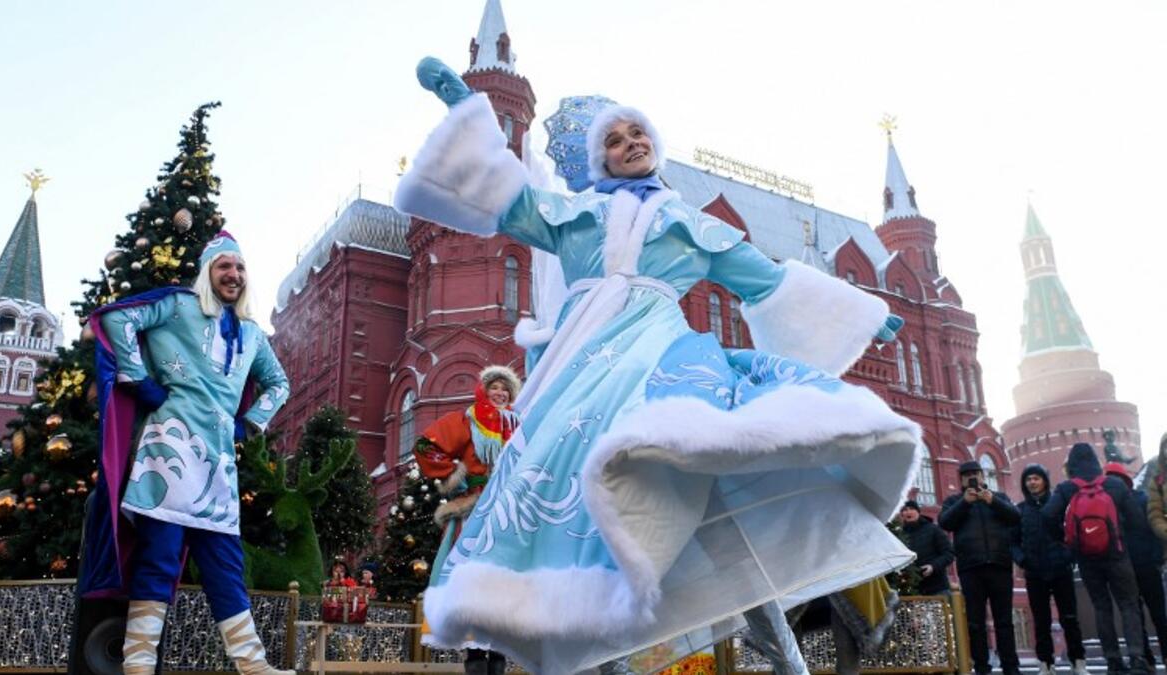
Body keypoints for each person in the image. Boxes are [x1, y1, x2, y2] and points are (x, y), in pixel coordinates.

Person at [391, 57, 921, 674]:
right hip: (586, 373)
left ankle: (788, 665)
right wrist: (466, 108)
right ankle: (603, 658)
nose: (630, 144)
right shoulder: (573, 219)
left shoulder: (691, 226)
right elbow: (506, 197)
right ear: (600, 160)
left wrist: (860, 312)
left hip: (668, 366)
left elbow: (766, 280)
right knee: (592, 516)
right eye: (613, 140)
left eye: (637, 133)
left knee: (720, 514)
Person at [83, 231, 292, 675]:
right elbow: (118, 321)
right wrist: (140, 380)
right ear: (207, 272)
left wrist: (251, 421)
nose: (233, 275)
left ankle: (253, 665)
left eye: (239, 268)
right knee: (158, 559)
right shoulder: (179, 307)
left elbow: (280, 383)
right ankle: (137, 665)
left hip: (218, 464)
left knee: (225, 566)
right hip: (170, 453)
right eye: (223, 267)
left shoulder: (252, 334)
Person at [412, 365, 521, 675]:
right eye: (494, 387)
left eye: (505, 388)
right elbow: (425, 446)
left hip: (509, 511)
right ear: (484, 390)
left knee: (504, 582)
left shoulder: (520, 424)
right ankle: (475, 655)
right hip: (476, 510)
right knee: (470, 580)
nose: (500, 393)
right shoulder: (468, 419)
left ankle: (499, 656)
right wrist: (457, 478)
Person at [1044, 443, 1149, 675]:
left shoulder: (1067, 488)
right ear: (1095, 461)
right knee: (1129, 605)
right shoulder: (1114, 485)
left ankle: (1113, 660)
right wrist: (1120, 535)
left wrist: (1067, 540)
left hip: (1087, 558)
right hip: (1118, 555)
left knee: (1102, 608)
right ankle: (1137, 658)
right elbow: (1137, 520)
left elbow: (1047, 515)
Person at [937, 460, 1021, 675]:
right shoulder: (954, 501)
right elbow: (945, 522)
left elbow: (1015, 517)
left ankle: (1011, 667)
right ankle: (982, 667)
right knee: (975, 622)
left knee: (1004, 621)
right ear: (961, 479)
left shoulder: (998, 497)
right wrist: (965, 503)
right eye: (966, 475)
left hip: (999, 565)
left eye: (975, 473)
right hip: (970, 568)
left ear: (983, 476)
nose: (971, 477)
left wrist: (992, 501)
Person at [1012, 464, 1087, 675]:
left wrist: (1068, 556)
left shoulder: (1060, 505)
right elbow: (1013, 542)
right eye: (1028, 480)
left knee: (1070, 618)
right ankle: (1045, 664)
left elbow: (1073, 532)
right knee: (1041, 620)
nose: (1032, 482)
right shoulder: (1020, 510)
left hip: (1060, 569)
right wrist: (1022, 559)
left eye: (1036, 478)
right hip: (1034, 572)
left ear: (1044, 481)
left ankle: (1078, 662)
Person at [1105, 461, 1167, 667]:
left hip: (1127, 565)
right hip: (1143, 563)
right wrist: (1157, 558)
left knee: (1135, 613)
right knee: (1155, 612)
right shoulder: (1140, 499)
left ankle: (1145, 657)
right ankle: (1156, 654)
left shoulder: (1109, 506)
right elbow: (1153, 530)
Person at [897, 500, 954, 596]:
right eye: (905, 510)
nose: (908, 512)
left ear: (918, 512)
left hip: (938, 587)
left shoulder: (933, 529)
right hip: (912, 590)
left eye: (911, 509)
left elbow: (949, 554)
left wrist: (933, 566)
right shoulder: (900, 535)